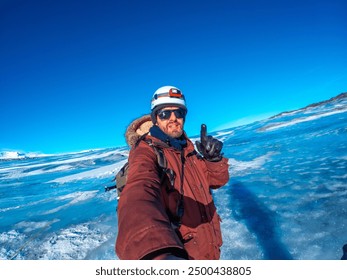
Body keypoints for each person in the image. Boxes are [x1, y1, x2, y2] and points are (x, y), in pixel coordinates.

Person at [115, 85, 229, 260]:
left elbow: (217, 181)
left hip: (209, 247)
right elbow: (139, 190)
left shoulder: (187, 149)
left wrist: (213, 160)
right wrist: (155, 252)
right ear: (155, 119)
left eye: (179, 113)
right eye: (165, 114)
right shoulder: (146, 151)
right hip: (182, 253)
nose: (174, 118)